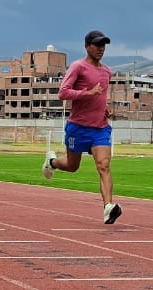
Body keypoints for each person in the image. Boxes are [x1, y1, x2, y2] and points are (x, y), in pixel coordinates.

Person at [42, 29, 122, 224]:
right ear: (87, 46)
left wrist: (106, 108)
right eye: (96, 45)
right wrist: (88, 94)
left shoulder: (107, 71)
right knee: (72, 166)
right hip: (78, 127)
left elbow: (102, 95)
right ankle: (51, 162)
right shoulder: (78, 67)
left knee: (103, 165)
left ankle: (108, 207)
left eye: (103, 45)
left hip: (100, 128)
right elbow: (63, 93)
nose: (100, 49)